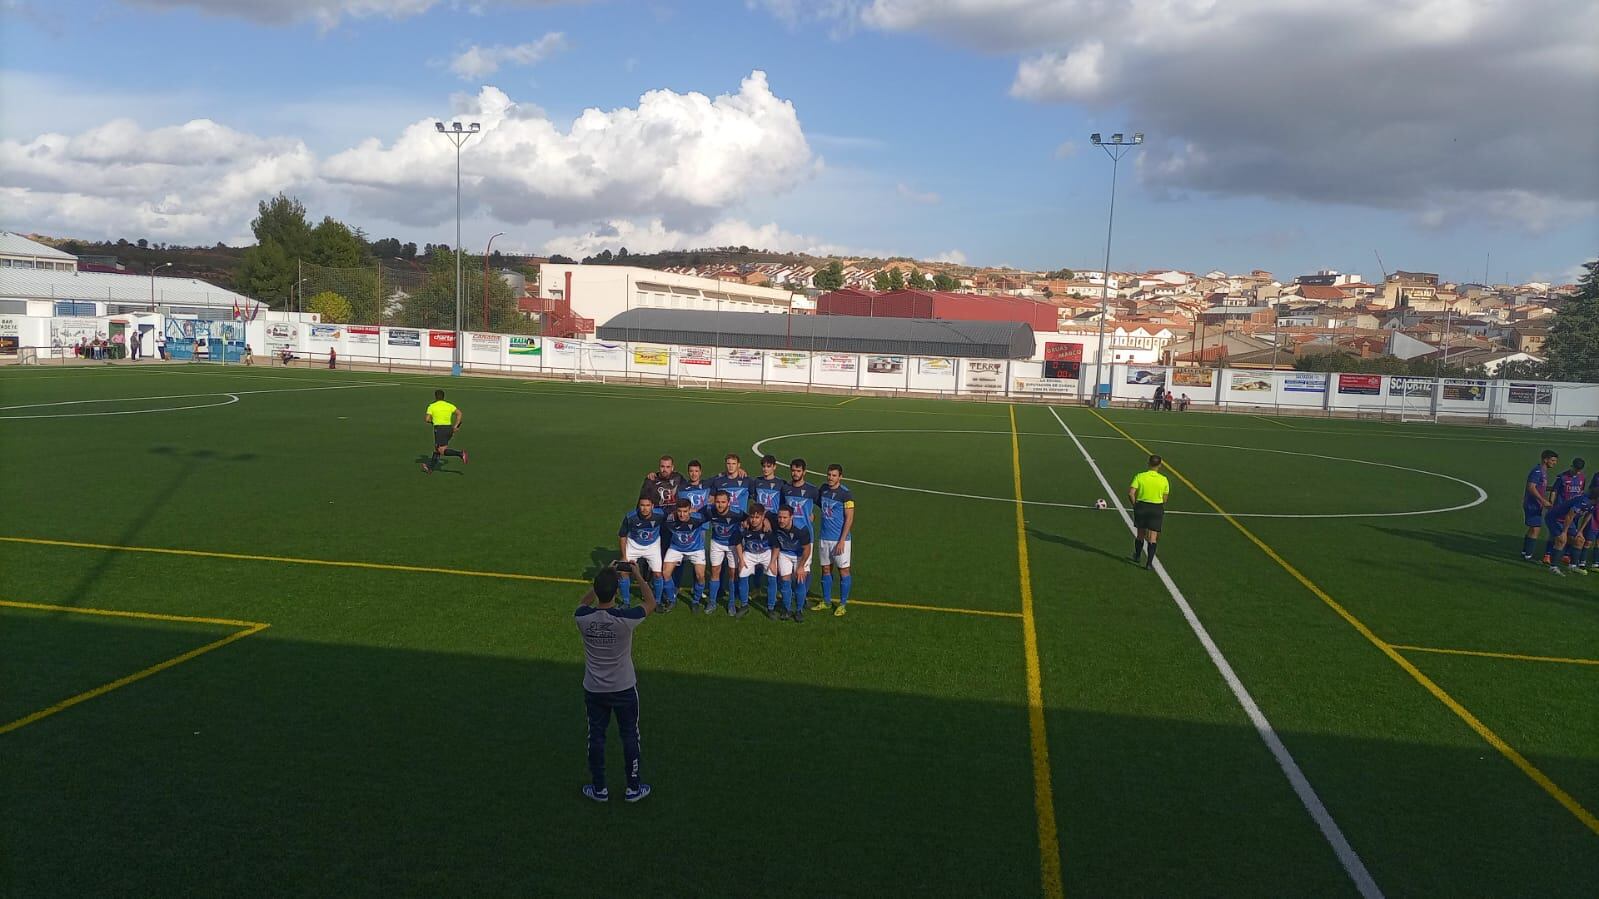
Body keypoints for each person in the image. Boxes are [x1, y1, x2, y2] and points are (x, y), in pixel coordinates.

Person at [576, 561, 654, 804]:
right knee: (630, 735)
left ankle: (599, 788)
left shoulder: (582, 618)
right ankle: (633, 787)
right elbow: (651, 603)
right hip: (623, 687)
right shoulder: (624, 619)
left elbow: (583, 603)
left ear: (597, 589)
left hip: (595, 688)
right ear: (618, 591)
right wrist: (638, 576)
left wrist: (602, 577)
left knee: (596, 736)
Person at [812, 463, 855, 617]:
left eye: (834, 475)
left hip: (839, 540)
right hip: (824, 538)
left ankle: (843, 604)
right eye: (829, 475)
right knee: (825, 569)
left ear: (840, 477)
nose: (830, 478)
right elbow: (816, 504)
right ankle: (826, 601)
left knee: (843, 570)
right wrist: (811, 514)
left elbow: (849, 518)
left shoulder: (846, 494)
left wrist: (842, 540)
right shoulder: (823, 489)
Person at [780, 458, 822, 602]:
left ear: (804, 472)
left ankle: (802, 598)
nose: (795, 473)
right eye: (793, 470)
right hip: (787, 536)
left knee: (805, 568)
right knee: (788, 568)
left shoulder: (812, 490)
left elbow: (823, 505)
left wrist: (812, 515)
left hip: (806, 535)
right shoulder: (786, 489)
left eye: (798, 471)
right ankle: (790, 596)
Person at [659, 499, 710, 613]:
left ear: (690, 510)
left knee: (700, 576)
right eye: (680, 511)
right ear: (676, 510)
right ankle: (671, 599)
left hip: (696, 549)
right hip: (676, 548)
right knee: (665, 573)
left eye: (685, 511)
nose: (682, 514)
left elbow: (712, 513)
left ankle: (696, 601)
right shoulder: (670, 520)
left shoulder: (698, 518)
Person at [616, 497, 667, 605]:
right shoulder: (631, 517)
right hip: (633, 545)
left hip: (653, 546)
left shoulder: (660, 515)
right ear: (638, 506)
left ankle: (656, 602)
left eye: (648, 505)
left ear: (652, 506)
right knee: (624, 572)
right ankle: (626, 602)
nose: (645, 508)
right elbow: (622, 536)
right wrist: (624, 556)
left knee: (658, 574)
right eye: (642, 505)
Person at [704, 490, 747, 616]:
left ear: (729, 503)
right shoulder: (710, 510)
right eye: (717, 502)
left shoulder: (737, 513)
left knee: (733, 573)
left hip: (733, 545)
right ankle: (712, 602)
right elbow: (696, 513)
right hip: (717, 543)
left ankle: (731, 603)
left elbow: (748, 518)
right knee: (715, 571)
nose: (720, 505)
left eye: (723, 502)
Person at [1545, 483, 1598, 577]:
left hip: (1567, 520)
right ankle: (1553, 567)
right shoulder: (1584, 501)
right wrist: (1564, 532)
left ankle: (1572, 566)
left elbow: (1588, 515)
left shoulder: (1594, 504)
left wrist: (1580, 531)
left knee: (1580, 540)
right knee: (1562, 540)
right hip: (1555, 518)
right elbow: (1570, 515)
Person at [770, 506, 813, 622]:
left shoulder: (801, 529)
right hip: (785, 553)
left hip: (800, 555)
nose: (781, 520)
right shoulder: (775, 522)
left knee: (800, 580)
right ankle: (787, 609)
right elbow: (763, 513)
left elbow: (807, 549)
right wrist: (773, 561)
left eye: (785, 517)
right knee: (785, 581)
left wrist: (801, 567)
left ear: (791, 517)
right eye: (779, 517)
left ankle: (799, 610)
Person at [1129, 454, 1171, 570]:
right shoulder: (1163, 479)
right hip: (1156, 508)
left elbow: (1131, 493)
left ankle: (1137, 556)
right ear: (1160, 465)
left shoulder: (1140, 476)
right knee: (1153, 537)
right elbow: (1165, 498)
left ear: (1148, 463)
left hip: (1142, 507)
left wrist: (1135, 505)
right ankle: (1149, 563)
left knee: (1140, 534)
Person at [738, 501, 778, 615]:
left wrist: (773, 562)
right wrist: (741, 560)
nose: (754, 520)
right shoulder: (744, 527)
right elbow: (737, 543)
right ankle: (744, 605)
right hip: (749, 553)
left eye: (757, 517)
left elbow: (776, 546)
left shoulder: (770, 527)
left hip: (766, 553)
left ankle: (771, 608)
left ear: (763, 517)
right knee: (742, 574)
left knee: (772, 575)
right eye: (752, 517)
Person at [1522, 449, 1558, 561]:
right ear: (1545, 459)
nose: (1554, 463)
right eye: (1552, 460)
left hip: (1535, 504)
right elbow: (1531, 487)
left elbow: (1539, 486)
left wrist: (1552, 488)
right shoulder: (1537, 471)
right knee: (1535, 529)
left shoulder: (1543, 471)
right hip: (1532, 504)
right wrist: (1543, 501)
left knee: (1533, 528)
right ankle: (1528, 556)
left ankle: (1525, 551)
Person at [421, 389, 467, 473]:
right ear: (443, 397)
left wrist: (433, 421)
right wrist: (455, 426)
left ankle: (460, 454)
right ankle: (430, 468)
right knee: (437, 448)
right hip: (449, 429)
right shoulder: (449, 405)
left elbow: (427, 419)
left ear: (435, 397)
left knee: (441, 450)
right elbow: (459, 413)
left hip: (440, 430)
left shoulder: (432, 406)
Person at [752, 454, 785, 519]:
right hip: (759, 519)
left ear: (774, 467)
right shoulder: (757, 481)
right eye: (764, 466)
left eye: (768, 466)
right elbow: (754, 499)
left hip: (774, 518)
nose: (765, 469)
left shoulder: (781, 483)